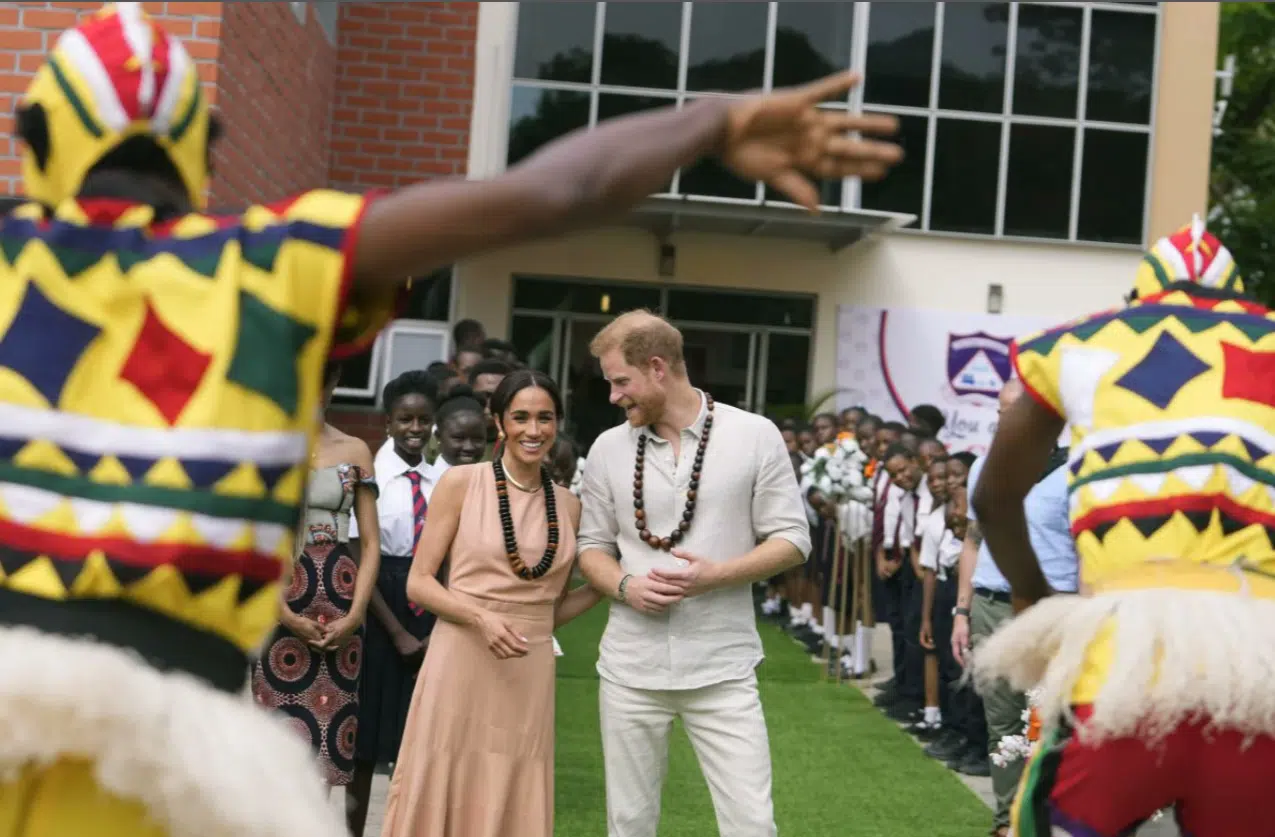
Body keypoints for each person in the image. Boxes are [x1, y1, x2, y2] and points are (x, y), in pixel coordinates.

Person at [0, 5, 900, 832]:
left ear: (34, 142)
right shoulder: (272, 261)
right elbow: (553, 193)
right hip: (162, 758)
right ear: (199, 150)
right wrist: (712, 118)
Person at [971, 220, 1275, 837]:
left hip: (1120, 662)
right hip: (1259, 671)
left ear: (1137, 300)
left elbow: (996, 497)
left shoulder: (1082, 345)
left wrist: (1035, 598)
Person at [576, 310, 812, 837]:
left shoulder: (755, 435)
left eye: (620, 381)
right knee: (630, 824)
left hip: (723, 668)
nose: (613, 396)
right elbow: (590, 547)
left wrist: (717, 575)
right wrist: (625, 586)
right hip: (629, 669)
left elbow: (794, 539)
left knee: (752, 825)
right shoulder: (607, 449)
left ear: (658, 368)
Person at [379, 370, 602, 837]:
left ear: (558, 423)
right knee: (445, 776)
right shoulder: (462, 483)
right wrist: (480, 618)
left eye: (545, 418)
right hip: (461, 657)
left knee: (515, 784)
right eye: (520, 417)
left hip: (529, 669)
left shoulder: (569, 506)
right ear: (499, 421)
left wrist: (607, 586)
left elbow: (549, 611)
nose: (533, 430)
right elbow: (419, 584)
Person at [253, 361, 381, 788]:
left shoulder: (356, 450)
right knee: (271, 742)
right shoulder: (268, 446)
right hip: (281, 602)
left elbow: (371, 543)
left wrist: (356, 615)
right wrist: (283, 614)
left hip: (340, 605)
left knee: (328, 743)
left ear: (334, 383)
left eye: (320, 381)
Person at [346, 370, 441, 835]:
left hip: (431, 603)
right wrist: (399, 632)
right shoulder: (371, 474)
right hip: (380, 600)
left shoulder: (441, 478)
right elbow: (357, 552)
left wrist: (433, 624)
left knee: (417, 738)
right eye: (406, 419)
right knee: (367, 738)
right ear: (388, 422)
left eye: (424, 419)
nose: (416, 429)